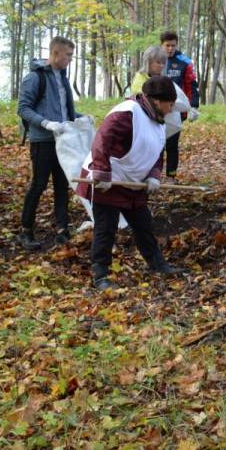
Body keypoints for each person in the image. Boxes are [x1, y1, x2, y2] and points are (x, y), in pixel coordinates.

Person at [76, 75, 183, 291]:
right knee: (106, 228)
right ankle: (100, 274)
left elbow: (157, 151)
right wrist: (102, 172)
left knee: (144, 225)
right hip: (109, 180)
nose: (171, 110)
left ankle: (157, 264)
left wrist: (154, 174)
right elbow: (102, 140)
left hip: (133, 183)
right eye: (169, 105)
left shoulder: (159, 122)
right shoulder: (127, 112)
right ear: (156, 100)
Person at [17, 36, 91, 249]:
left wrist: (81, 117)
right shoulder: (35, 78)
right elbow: (23, 108)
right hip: (42, 140)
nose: (70, 59)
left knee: (62, 184)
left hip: (63, 140)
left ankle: (62, 229)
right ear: (55, 53)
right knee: (38, 185)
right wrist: (46, 123)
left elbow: (64, 110)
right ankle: (26, 230)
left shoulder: (63, 77)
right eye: (68, 55)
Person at [161, 31, 200, 179]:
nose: (170, 49)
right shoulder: (155, 59)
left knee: (171, 145)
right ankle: (153, 175)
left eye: (173, 45)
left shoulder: (184, 61)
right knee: (155, 144)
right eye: (167, 45)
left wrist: (194, 106)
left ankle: (171, 176)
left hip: (176, 110)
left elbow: (191, 84)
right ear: (161, 45)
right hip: (156, 110)